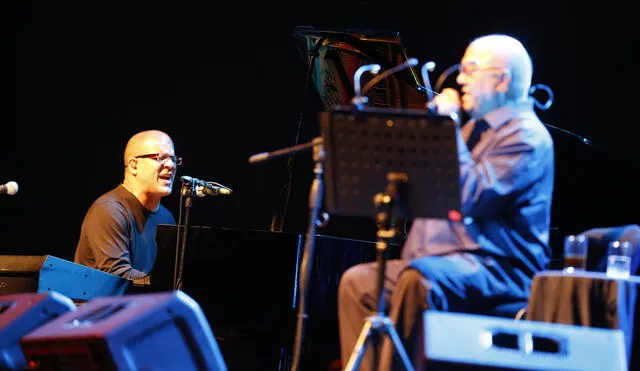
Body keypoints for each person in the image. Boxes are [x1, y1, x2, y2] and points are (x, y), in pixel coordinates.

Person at [337, 33, 555, 370]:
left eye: (470, 70)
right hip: (445, 264)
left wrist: (447, 128)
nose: (461, 79)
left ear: (501, 80)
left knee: (419, 280)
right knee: (359, 282)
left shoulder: (526, 137)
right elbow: (429, 191)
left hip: (497, 268)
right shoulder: (473, 132)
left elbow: (470, 197)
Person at [74, 129, 179, 283]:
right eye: (160, 157)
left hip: (145, 304)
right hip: (105, 305)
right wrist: (166, 284)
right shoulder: (109, 210)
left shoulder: (166, 218)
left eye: (173, 158)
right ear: (134, 165)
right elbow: (117, 274)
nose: (170, 165)